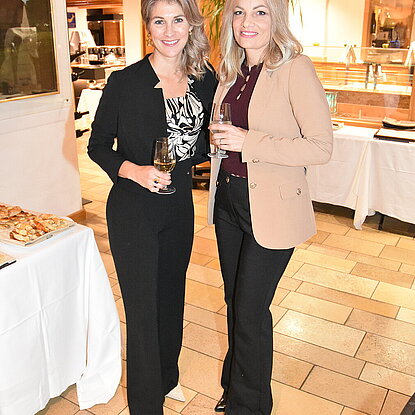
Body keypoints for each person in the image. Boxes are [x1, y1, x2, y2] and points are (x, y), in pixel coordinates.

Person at [87, 0, 216, 413]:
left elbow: (203, 142)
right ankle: (145, 405)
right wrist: (134, 171)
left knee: (171, 298)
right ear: (148, 26)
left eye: (178, 20)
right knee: (142, 311)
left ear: (190, 25)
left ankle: (165, 379)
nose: (169, 30)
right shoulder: (124, 82)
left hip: (179, 207)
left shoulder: (205, 79)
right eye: (159, 21)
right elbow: (96, 145)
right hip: (133, 210)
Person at [207, 0, 333, 413]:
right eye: (239, 11)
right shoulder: (231, 70)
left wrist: (249, 141)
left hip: (273, 207)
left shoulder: (296, 68)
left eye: (260, 11)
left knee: (250, 309)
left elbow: (320, 147)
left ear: (275, 17)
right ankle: (235, 386)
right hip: (229, 199)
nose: (248, 21)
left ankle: (250, 406)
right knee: (235, 302)